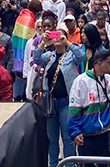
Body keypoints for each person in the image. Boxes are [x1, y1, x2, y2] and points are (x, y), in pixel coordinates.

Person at [33, 29, 84, 167]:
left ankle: (70, 164)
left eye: (59, 36)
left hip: (66, 102)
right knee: (52, 138)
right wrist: (44, 42)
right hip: (50, 102)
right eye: (55, 35)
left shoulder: (70, 57)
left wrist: (67, 42)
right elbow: (36, 58)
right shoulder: (49, 56)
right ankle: (54, 164)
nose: (57, 38)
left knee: (68, 137)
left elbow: (81, 56)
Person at [67, 48, 110, 166]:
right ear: (99, 63)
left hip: (105, 134)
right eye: (109, 62)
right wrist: (75, 132)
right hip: (86, 136)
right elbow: (73, 110)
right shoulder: (80, 82)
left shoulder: (108, 80)